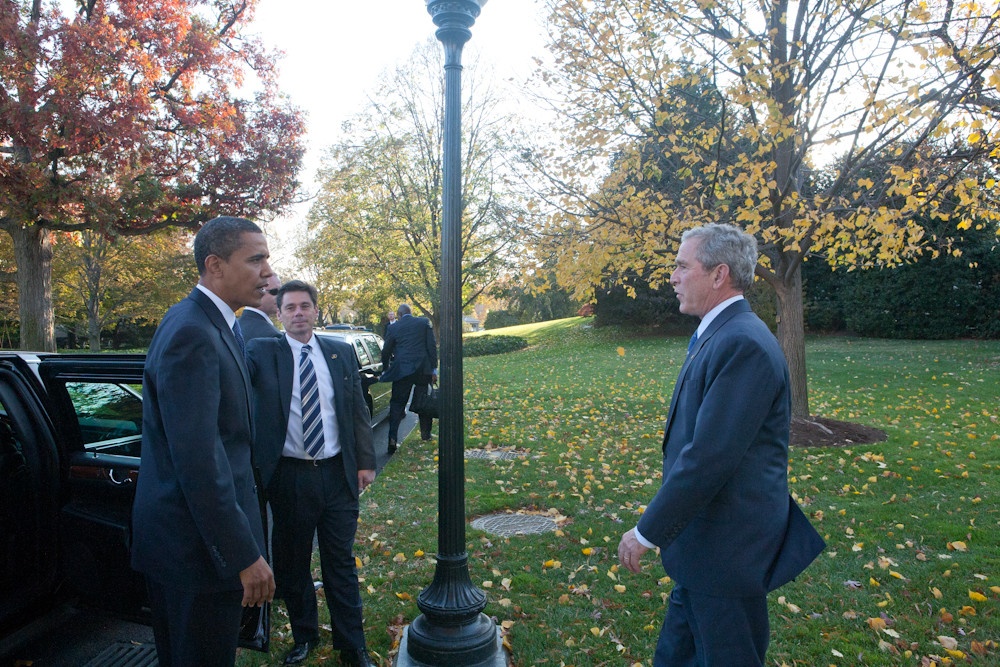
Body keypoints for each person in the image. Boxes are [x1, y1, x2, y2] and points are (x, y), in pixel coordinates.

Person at [617, 223, 824, 666]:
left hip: (726, 555)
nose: (672, 276)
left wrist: (647, 531)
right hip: (703, 551)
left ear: (718, 275)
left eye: (681, 266)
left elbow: (708, 458)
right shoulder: (720, 334)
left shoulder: (742, 343)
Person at [131, 216, 275, 667]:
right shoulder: (192, 331)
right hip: (196, 554)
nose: (268, 272)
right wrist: (242, 553)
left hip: (198, 547)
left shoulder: (215, 322)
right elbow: (198, 461)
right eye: (255, 259)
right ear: (215, 265)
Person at [246, 280, 377, 667]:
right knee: (293, 563)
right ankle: (304, 636)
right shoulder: (262, 352)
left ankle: (352, 645)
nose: (299, 313)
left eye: (305, 306)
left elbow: (357, 410)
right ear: (280, 313)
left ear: (316, 311)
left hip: (337, 475)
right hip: (290, 478)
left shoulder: (339, 352)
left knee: (340, 562)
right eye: (290, 307)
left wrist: (365, 461)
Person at [380, 303, 437, 453]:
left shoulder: (393, 328)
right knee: (423, 402)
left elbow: (386, 351)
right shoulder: (423, 322)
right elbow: (431, 347)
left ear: (398, 315)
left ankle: (392, 438)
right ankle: (426, 434)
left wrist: (385, 368)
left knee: (397, 404)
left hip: (402, 371)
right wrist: (434, 369)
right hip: (422, 370)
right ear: (411, 312)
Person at [239, 272, 282, 339]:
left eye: (281, 292)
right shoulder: (271, 336)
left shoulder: (234, 327)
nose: (280, 297)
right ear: (257, 292)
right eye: (274, 291)